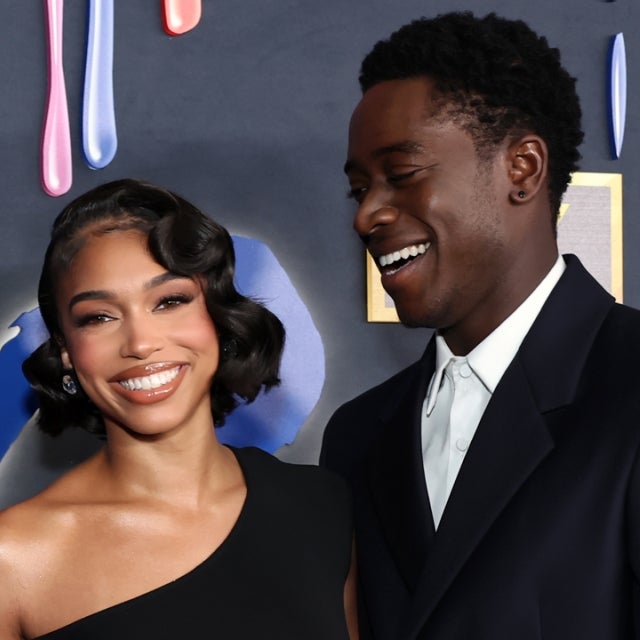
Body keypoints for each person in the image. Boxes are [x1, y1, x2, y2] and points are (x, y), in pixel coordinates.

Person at [321, 11, 640, 640]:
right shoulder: (357, 434)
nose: (366, 216)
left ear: (522, 168)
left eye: (401, 175)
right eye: (359, 190)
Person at [0, 179, 358, 639]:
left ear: (217, 316)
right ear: (66, 350)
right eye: (99, 317)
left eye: (169, 301)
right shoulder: (15, 559)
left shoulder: (322, 506)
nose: (141, 342)